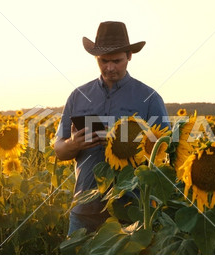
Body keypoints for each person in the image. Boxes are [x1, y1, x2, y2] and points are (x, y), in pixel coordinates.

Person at [54, 21, 170, 235]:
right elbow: (59, 149)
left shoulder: (149, 98)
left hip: (132, 213)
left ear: (129, 56)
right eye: (103, 61)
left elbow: (167, 152)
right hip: (84, 210)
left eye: (116, 61)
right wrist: (73, 143)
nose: (109, 67)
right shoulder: (78, 96)